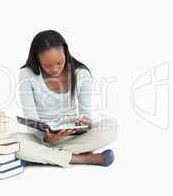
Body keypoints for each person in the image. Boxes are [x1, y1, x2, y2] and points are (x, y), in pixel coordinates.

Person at [14, 30, 118, 168]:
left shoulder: (81, 74)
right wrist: (47, 139)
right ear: (37, 59)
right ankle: (85, 158)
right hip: (41, 138)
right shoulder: (26, 74)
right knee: (12, 141)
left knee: (111, 126)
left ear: (65, 52)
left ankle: (39, 157)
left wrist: (84, 122)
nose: (55, 69)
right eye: (47, 66)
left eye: (59, 62)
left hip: (73, 136)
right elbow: (31, 118)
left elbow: (86, 115)